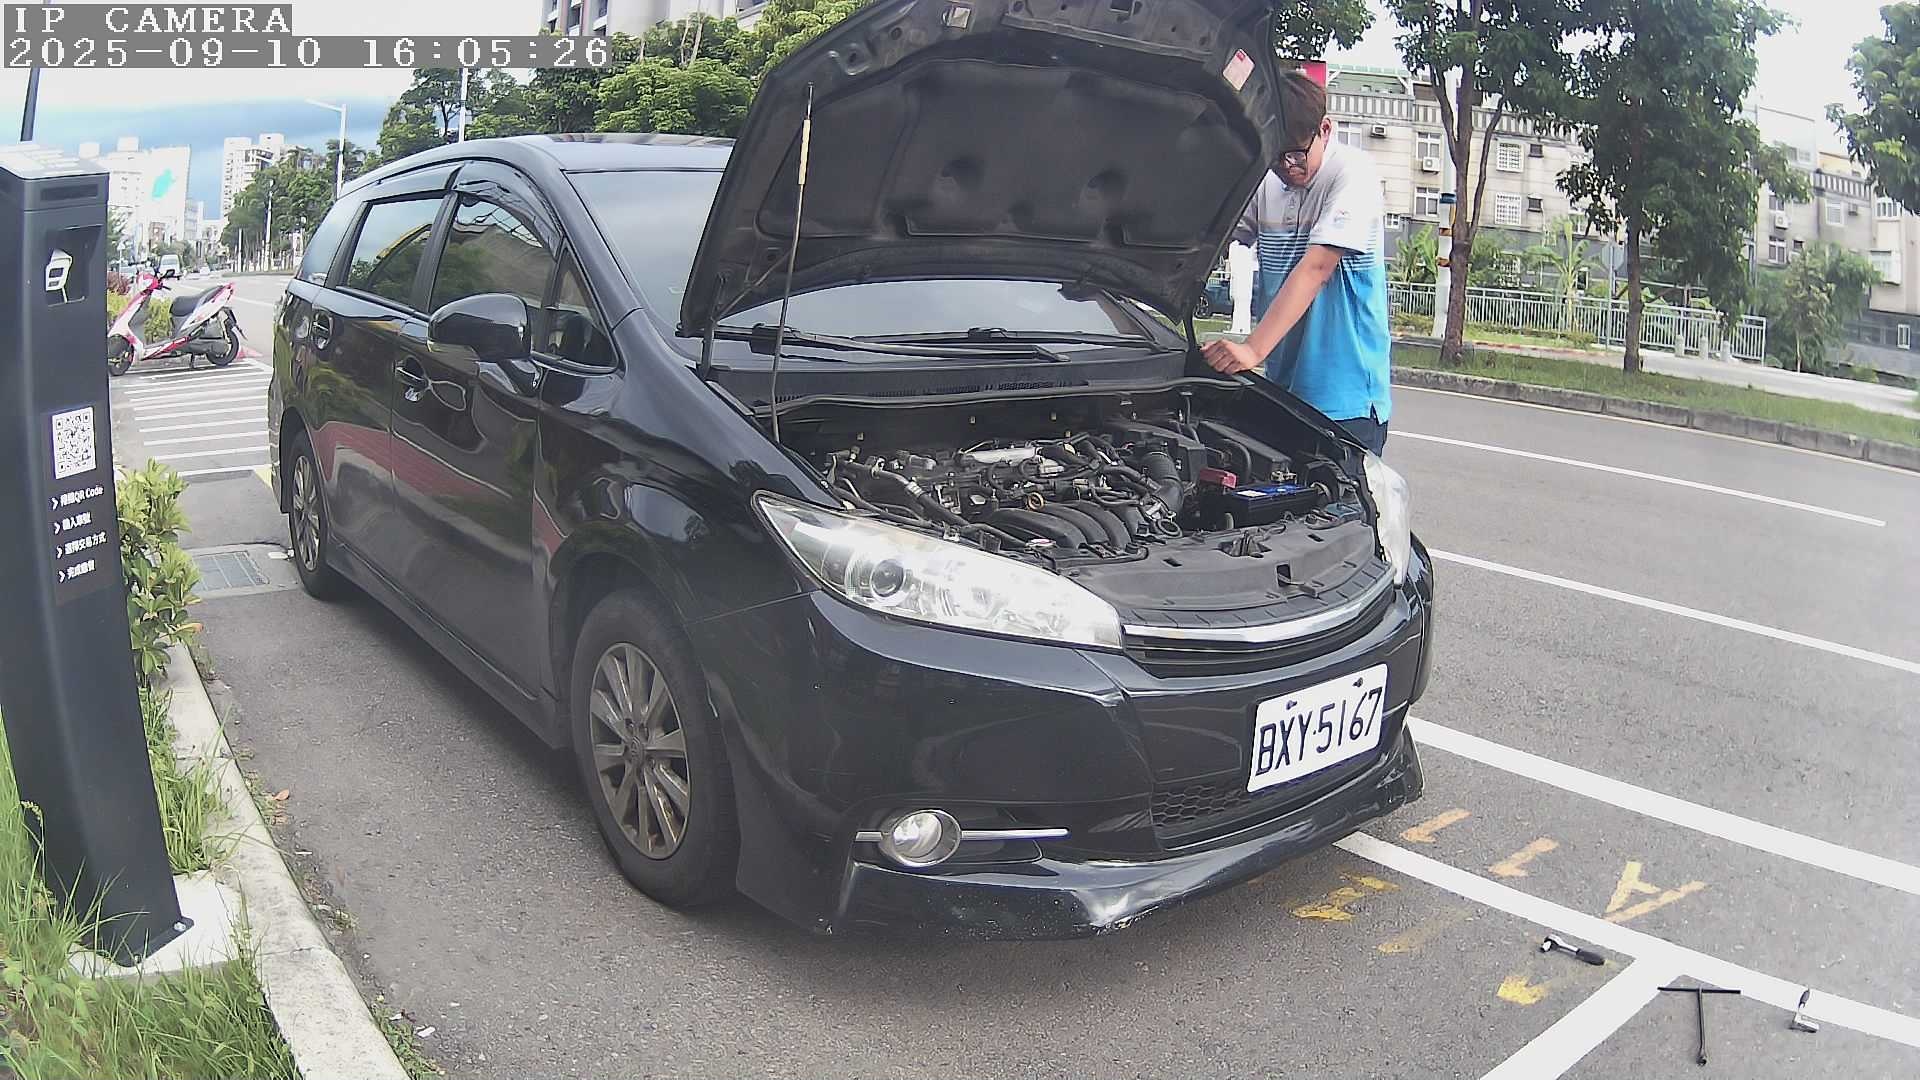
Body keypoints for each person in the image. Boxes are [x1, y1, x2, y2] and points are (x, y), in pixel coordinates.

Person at [1202, 72, 1393, 454]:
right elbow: (1213, 238)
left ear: (1325, 130)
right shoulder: (1269, 182)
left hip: (1346, 403)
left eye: (1296, 154)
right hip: (1283, 393)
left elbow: (1317, 268)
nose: (1286, 165)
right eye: (1276, 155)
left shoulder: (1353, 174)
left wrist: (1252, 350)